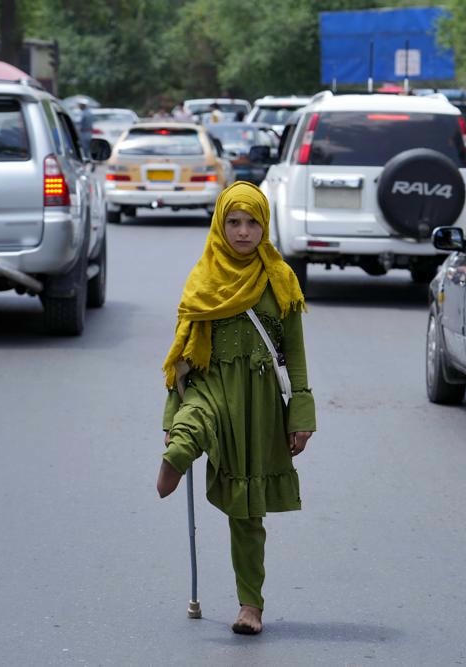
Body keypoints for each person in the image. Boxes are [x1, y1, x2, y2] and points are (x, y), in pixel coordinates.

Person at [156, 181, 316, 636]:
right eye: (234, 222)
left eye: (252, 222)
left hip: (257, 404)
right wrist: (170, 418)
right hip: (208, 386)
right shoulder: (202, 279)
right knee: (189, 427)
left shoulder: (279, 278)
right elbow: (182, 358)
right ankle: (176, 458)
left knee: (246, 512)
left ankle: (251, 607)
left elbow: (296, 354)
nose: (243, 232)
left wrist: (300, 414)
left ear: (264, 226)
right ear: (219, 224)